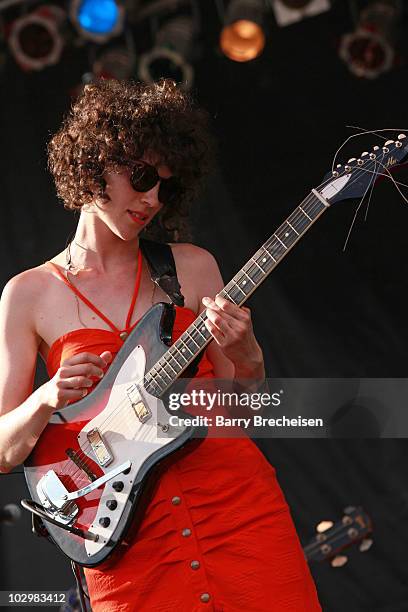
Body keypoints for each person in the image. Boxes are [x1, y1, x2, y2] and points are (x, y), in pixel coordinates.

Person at [0, 79, 320, 611]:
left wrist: (248, 357)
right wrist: (46, 396)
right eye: (142, 176)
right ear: (93, 161)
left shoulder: (193, 266)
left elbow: (243, 411)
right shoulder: (28, 294)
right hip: (128, 546)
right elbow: (5, 450)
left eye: (164, 188)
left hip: (236, 512)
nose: (151, 199)